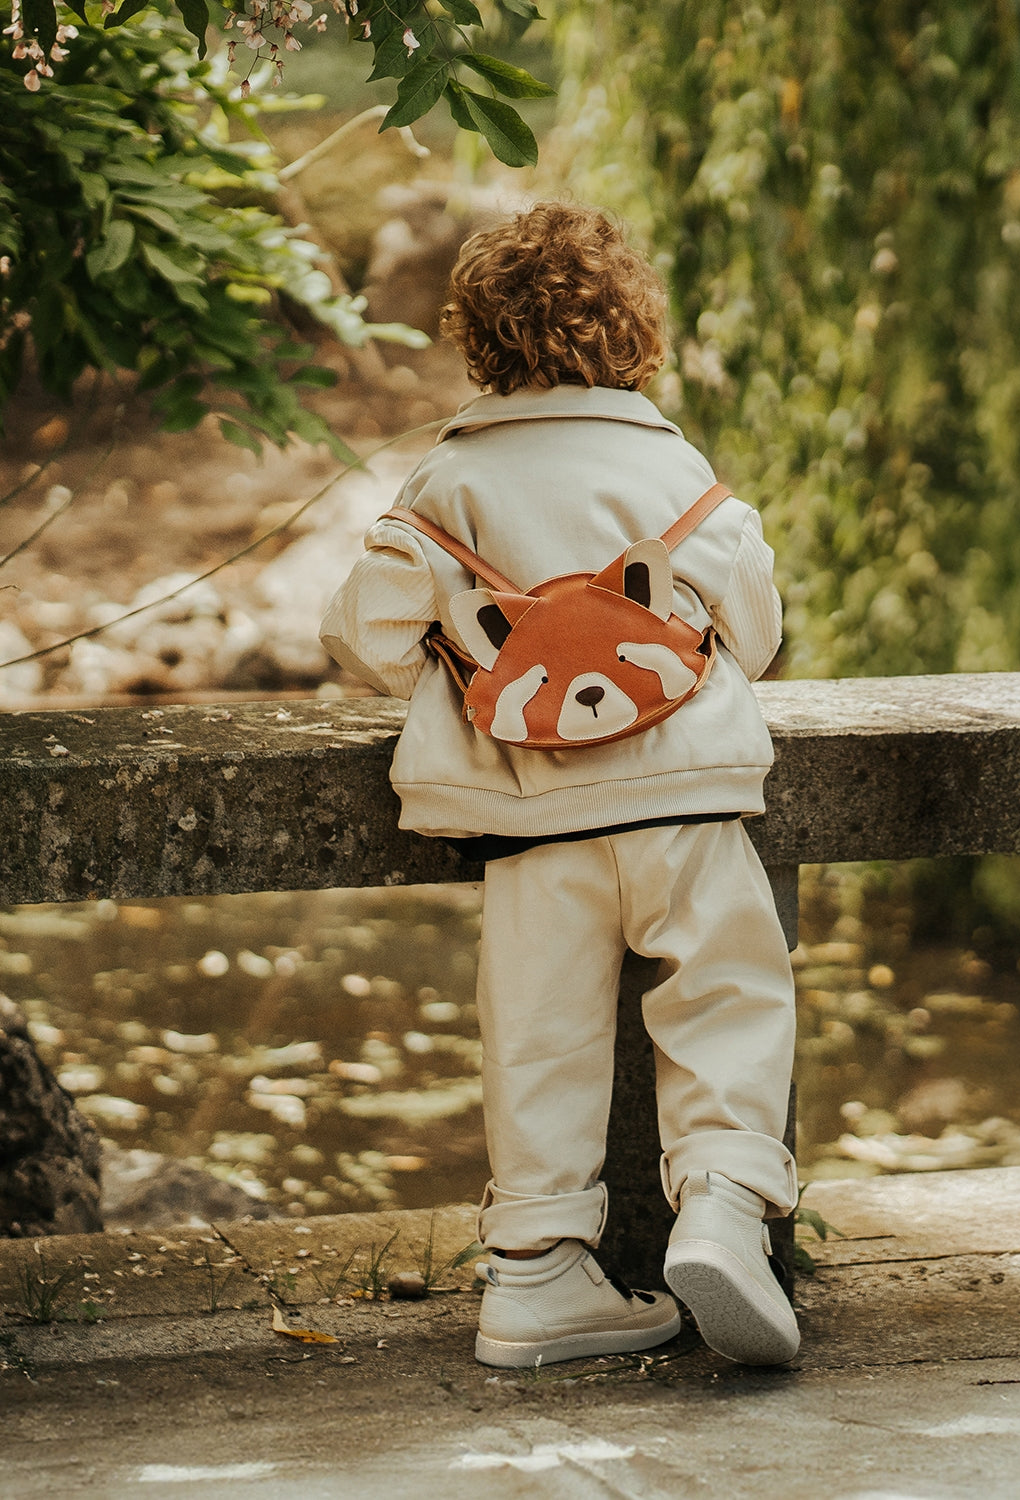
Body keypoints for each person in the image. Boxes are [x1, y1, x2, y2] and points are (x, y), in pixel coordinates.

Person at [320, 201, 799, 1369]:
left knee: (538, 1035)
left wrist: (457, 642)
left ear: (477, 344)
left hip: (530, 820)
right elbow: (758, 628)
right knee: (726, 992)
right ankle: (727, 1203)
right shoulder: (671, 467)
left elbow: (362, 640)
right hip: (683, 802)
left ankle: (534, 1276)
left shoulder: (444, 482)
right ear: (634, 334)